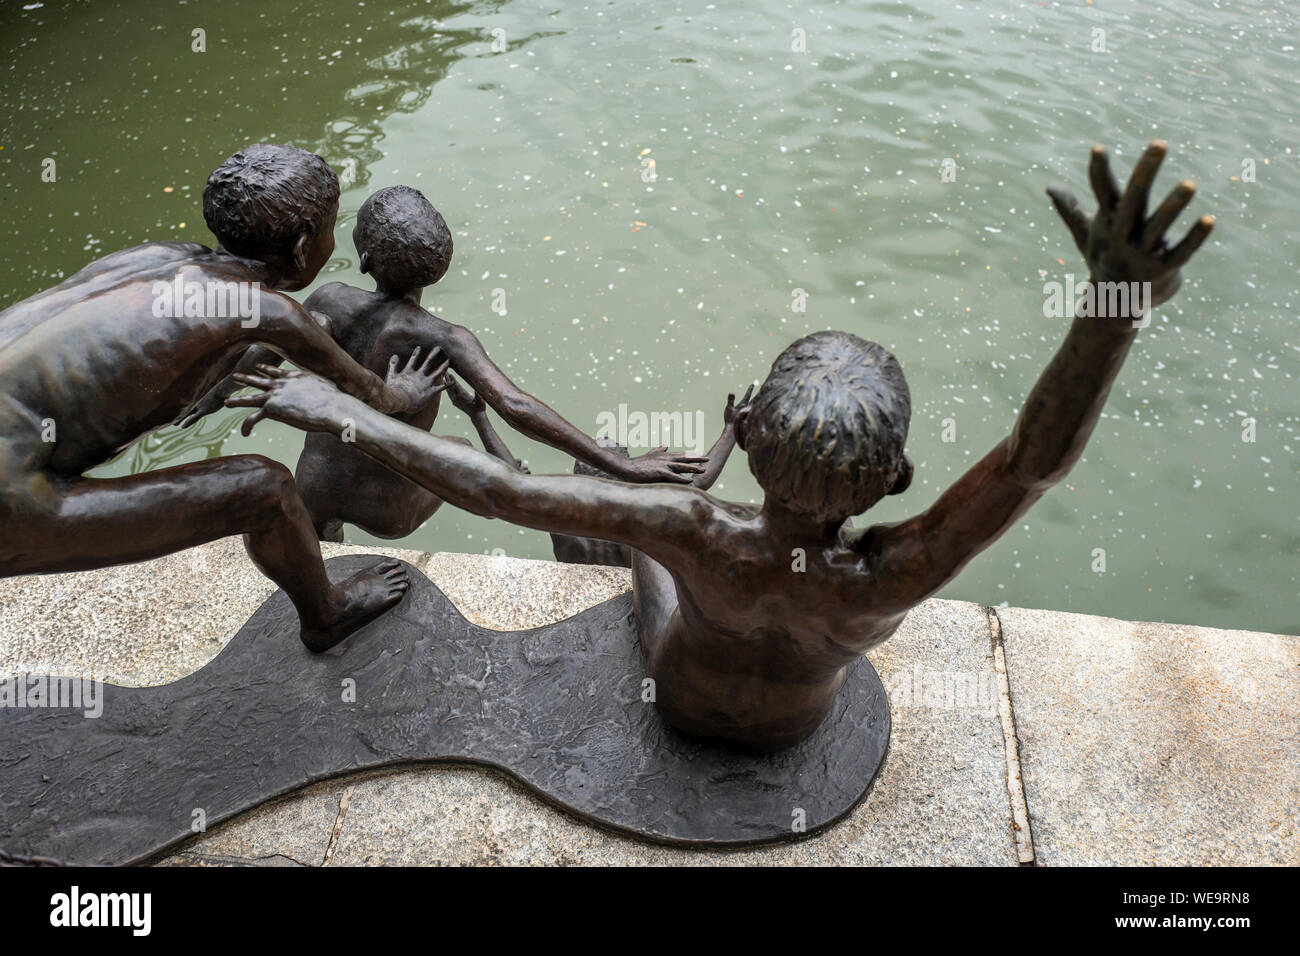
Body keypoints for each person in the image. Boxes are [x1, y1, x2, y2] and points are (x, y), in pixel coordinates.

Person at [228, 142, 1214, 747]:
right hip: (798, 727)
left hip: (678, 697)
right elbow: (1032, 460)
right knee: (622, 522)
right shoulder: (899, 565)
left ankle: (602, 566)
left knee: (612, 518)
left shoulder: (692, 526)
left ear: (748, 449)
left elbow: (494, 489)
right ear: (897, 478)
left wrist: (338, 407)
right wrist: (1111, 310)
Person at [0, 143, 444, 651]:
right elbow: (374, 395)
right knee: (266, 487)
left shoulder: (156, 257)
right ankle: (327, 614)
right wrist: (407, 389)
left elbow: (184, 338)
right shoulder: (272, 313)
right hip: (13, 495)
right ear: (302, 248)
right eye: (330, 228)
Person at [187, 185, 706, 542]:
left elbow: (261, 345)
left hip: (316, 484)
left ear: (364, 259)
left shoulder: (328, 298)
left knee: (325, 528)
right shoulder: (444, 339)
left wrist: (207, 396)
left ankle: (329, 543)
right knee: (459, 450)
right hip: (391, 508)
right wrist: (622, 465)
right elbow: (515, 405)